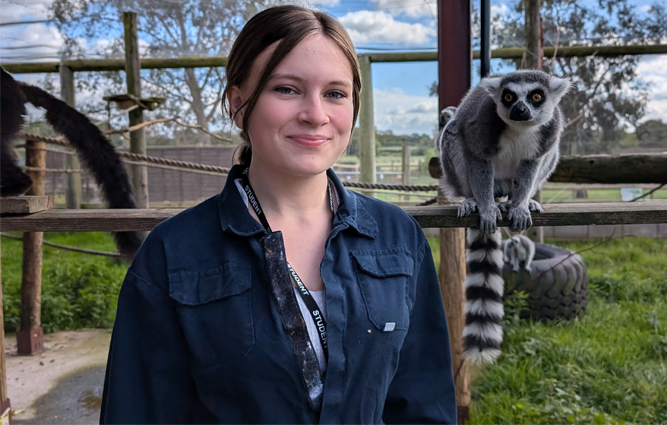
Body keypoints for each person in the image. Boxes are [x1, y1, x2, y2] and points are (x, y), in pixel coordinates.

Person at [100, 5, 456, 423]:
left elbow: (423, 403)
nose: (316, 114)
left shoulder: (398, 238)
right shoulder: (174, 254)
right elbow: (137, 411)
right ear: (238, 103)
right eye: (286, 89)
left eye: (335, 94)